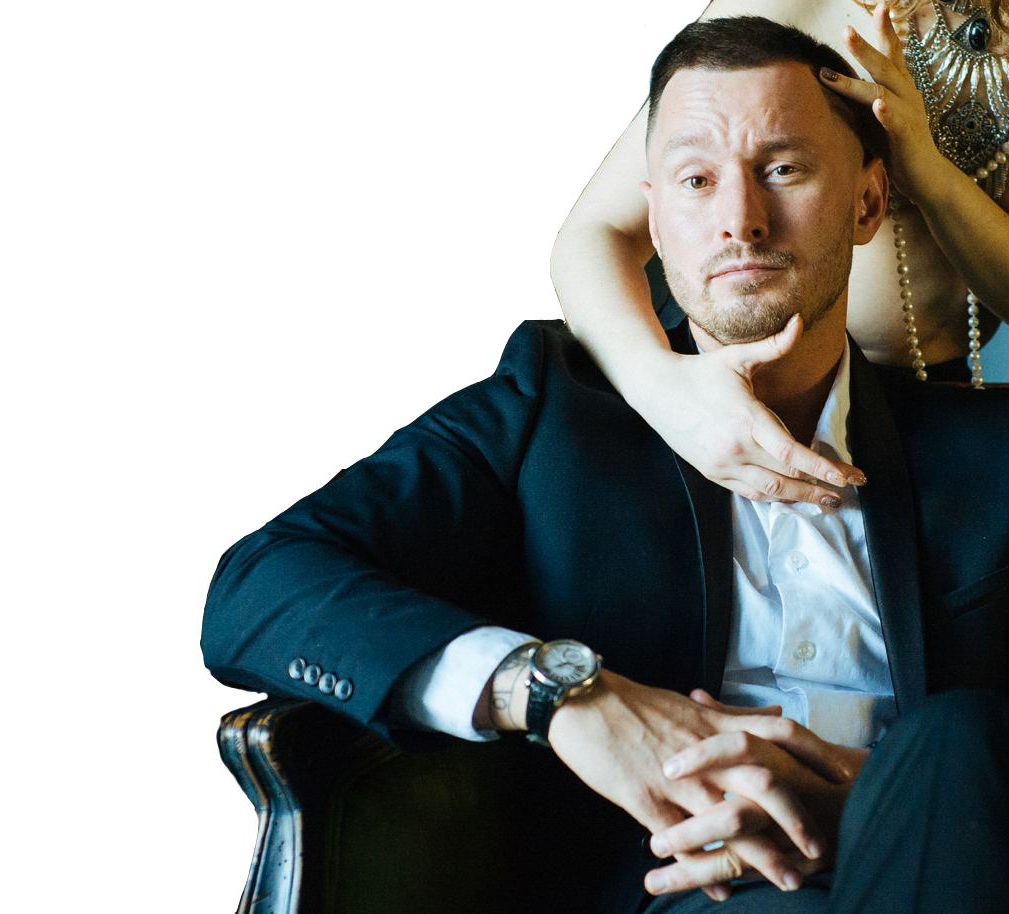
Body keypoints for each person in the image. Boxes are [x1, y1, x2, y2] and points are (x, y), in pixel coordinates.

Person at [201, 17, 1009, 913]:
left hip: (953, 871)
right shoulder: (548, 414)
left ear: (866, 203)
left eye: (783, 169)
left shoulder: (986, 450)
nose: (739, 219)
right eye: (697, 181)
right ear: (654, 218)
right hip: (671, 889)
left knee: (956, 737)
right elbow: (259, 586)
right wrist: (561, 694)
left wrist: (876, 805)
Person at [551, 0, 1009, 508]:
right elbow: (595, 233)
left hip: (954, 416)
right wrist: (665, 393)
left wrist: (935, 182)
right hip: (764, 404)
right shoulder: (791, 6)